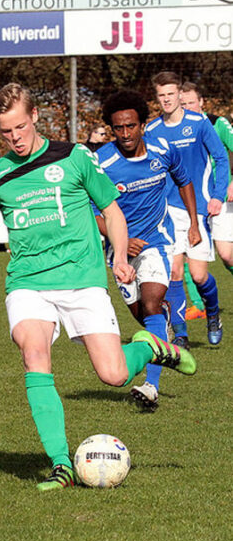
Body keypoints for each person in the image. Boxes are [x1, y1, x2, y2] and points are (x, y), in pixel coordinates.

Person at [0, 83, 196, 491]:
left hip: (82, 279)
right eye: (5, 132)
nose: (14, 137)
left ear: (34, 117)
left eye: (19, 126)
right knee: (34, 353)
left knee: (115, 374)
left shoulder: (74, 156)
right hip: (28, 282)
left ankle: (150, 347)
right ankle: (61, 464)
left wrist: (119, 257)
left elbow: (111, 210)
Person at [94, 90, 199, 411]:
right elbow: (91, 212)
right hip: (120, 253)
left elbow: (184, 181)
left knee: (152, 305)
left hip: (157, 241)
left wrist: (194, 222)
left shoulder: (162, 149)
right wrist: (121, 241)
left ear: (143, 124)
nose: (125, 134)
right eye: (118, 128)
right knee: (144, 319)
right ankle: (164, 332)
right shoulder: (103, 162)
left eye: (131, 126)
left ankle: (151, 386)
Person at [146, 72, 230, 348]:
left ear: (180, 95)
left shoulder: (199, 122)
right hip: (168, 209)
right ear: (157, 98)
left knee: (199, 275)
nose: (167, 99)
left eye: (171, 94)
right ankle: (180, 333)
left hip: (200, 209)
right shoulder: (152, 130)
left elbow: (220, 157)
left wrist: (218, 196)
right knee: (174, 273)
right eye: (162, 95)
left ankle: (213, 313)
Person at [179, 82, 233, 320]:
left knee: (227, 255)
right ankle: (199, 305)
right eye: (183, 104)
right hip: (192, 201)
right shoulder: (177, 129)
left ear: (201, 102)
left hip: (219, 197)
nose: (187, 107)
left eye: (191, 102)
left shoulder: (217, 123)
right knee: (188, 252)